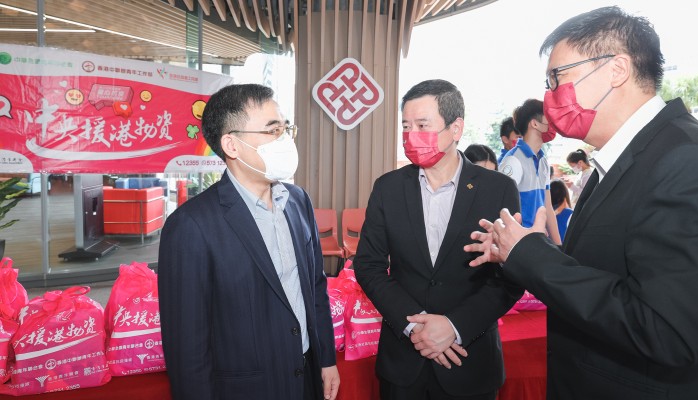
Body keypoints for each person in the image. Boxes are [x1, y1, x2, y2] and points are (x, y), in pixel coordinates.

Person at [466, 6, 698, 400]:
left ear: (617, 70)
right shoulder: (613, 162)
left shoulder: (687, 159)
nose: (549, 98)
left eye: (558, 77)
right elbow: (599, 269)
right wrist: (522, 253)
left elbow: (669, 331)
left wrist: (532, 255)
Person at [158, 84, 339, 400]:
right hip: (247, 388)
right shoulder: (190, 226)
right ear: (232, 145)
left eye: (285, 128)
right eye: (273, 130)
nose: (284, 140)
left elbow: (314, 288)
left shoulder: (298, 201)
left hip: (307, 375)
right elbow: (187, 346)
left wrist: (326, 359)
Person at [354, 79, 523, 400]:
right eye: (405, 126)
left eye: (422, 125)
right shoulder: (388, 188)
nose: (411, 135)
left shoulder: (497, 189)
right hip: (404, 361)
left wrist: (454, 326)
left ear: (455, 128)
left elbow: (509, 278)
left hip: (469, 359)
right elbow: (369, 266)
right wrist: (417, 328)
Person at [499, 99, 561, 244]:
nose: (553, 123)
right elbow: (501, 209)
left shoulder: (543, 161)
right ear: (534, 124)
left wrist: (559, 245)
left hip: (539, 242)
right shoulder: (513, 160)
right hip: (519, 245)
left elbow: (548, 206)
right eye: (548, 118)